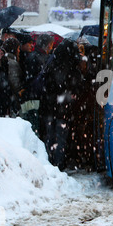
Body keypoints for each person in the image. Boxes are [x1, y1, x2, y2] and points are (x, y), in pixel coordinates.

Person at [40, 39, 83, 170]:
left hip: (49, 107)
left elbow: (47, 86)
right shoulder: (73, 68)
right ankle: (58, 165)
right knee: (61, 138)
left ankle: (49, 162)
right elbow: (75, 88)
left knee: (50, 137)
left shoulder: (52, 64)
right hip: (63, 109)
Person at [20, 34, 54, 134]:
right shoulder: (41, 58)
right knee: (35, 127)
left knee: (31, 125)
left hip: (29, 96)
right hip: (36, 97)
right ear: (48, 45)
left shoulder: (32, 56)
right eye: (51, 45)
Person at [2, 37, 24, 117]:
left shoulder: (5, 59)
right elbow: (15, 83)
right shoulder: (12, 63)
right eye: (18, 48)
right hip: (12, 99)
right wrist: (21, 92)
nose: (19, 51)